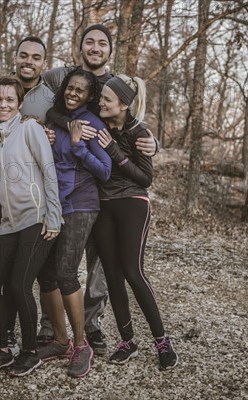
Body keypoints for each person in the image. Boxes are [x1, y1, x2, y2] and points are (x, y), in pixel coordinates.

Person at [37, 24, 156, 353]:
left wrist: (152, 142)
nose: (95, 47)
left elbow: (133, 121)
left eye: (101, 43)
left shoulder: (116, 83)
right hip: (73, 188)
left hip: (104, 192)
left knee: (99, 266)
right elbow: (34, 87)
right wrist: (60, 124)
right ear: (80, 47)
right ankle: (52, 326)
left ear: (109, 50)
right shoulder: (61, 75)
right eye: (89, 41)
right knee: (58, 262)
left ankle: (91, 326)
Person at [0, 76, 63, 377]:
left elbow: (49, 172)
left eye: (9, 100)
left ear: (20, 103)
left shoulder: (29, 129)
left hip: (37, 220)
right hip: (10, 225)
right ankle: (2, 348)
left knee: (18, 285)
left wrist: (54, 216)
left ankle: (29, 351)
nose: (3, 105)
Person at [93, 74, 179, 370]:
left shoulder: (139, 132)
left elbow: (146, 179)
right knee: (112, 275)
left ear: (124, 104)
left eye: (107, 99)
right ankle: (127, 341)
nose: (100, 102)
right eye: (101, 98)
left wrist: (115, 152)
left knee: (132, 270)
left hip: (132, 202)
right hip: (103, 205)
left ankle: (163, 342)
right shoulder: (99, 121)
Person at [36, 69, 111, 378]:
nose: (73, 93)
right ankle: (60, 339)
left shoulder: (92, 124)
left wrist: (79, 145)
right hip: (54, 202)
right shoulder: (55, 118)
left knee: (67, 271)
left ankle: (82, 345)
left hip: (81, 204)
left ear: (90, 96)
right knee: (45, 272)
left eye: (81, 90)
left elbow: (105, 171)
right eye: (70, 87)